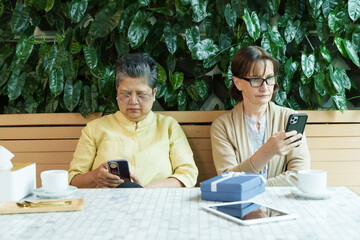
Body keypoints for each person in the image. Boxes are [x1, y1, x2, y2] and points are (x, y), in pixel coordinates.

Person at [68, 53, 198, 188]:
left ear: (154, 94)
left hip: (156, 203)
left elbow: (187, 174)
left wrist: (143, 192)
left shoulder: (168, 127)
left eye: (141, 95)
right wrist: (95, 177)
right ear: (117, 92)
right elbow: (73, 179)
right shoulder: (94, 129)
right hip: (106, 205)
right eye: (126, 94)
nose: (133, 101)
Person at [210, 46, 310, 186]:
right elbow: (228, 181)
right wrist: (267, 151)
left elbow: (300, 175)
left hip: (281, 203)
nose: (265, 88)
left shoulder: (289, 118)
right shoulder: (223, 126)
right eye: (256, 80)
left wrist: (257, 188)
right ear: (237, 83)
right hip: (241, 205)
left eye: (270, 78)